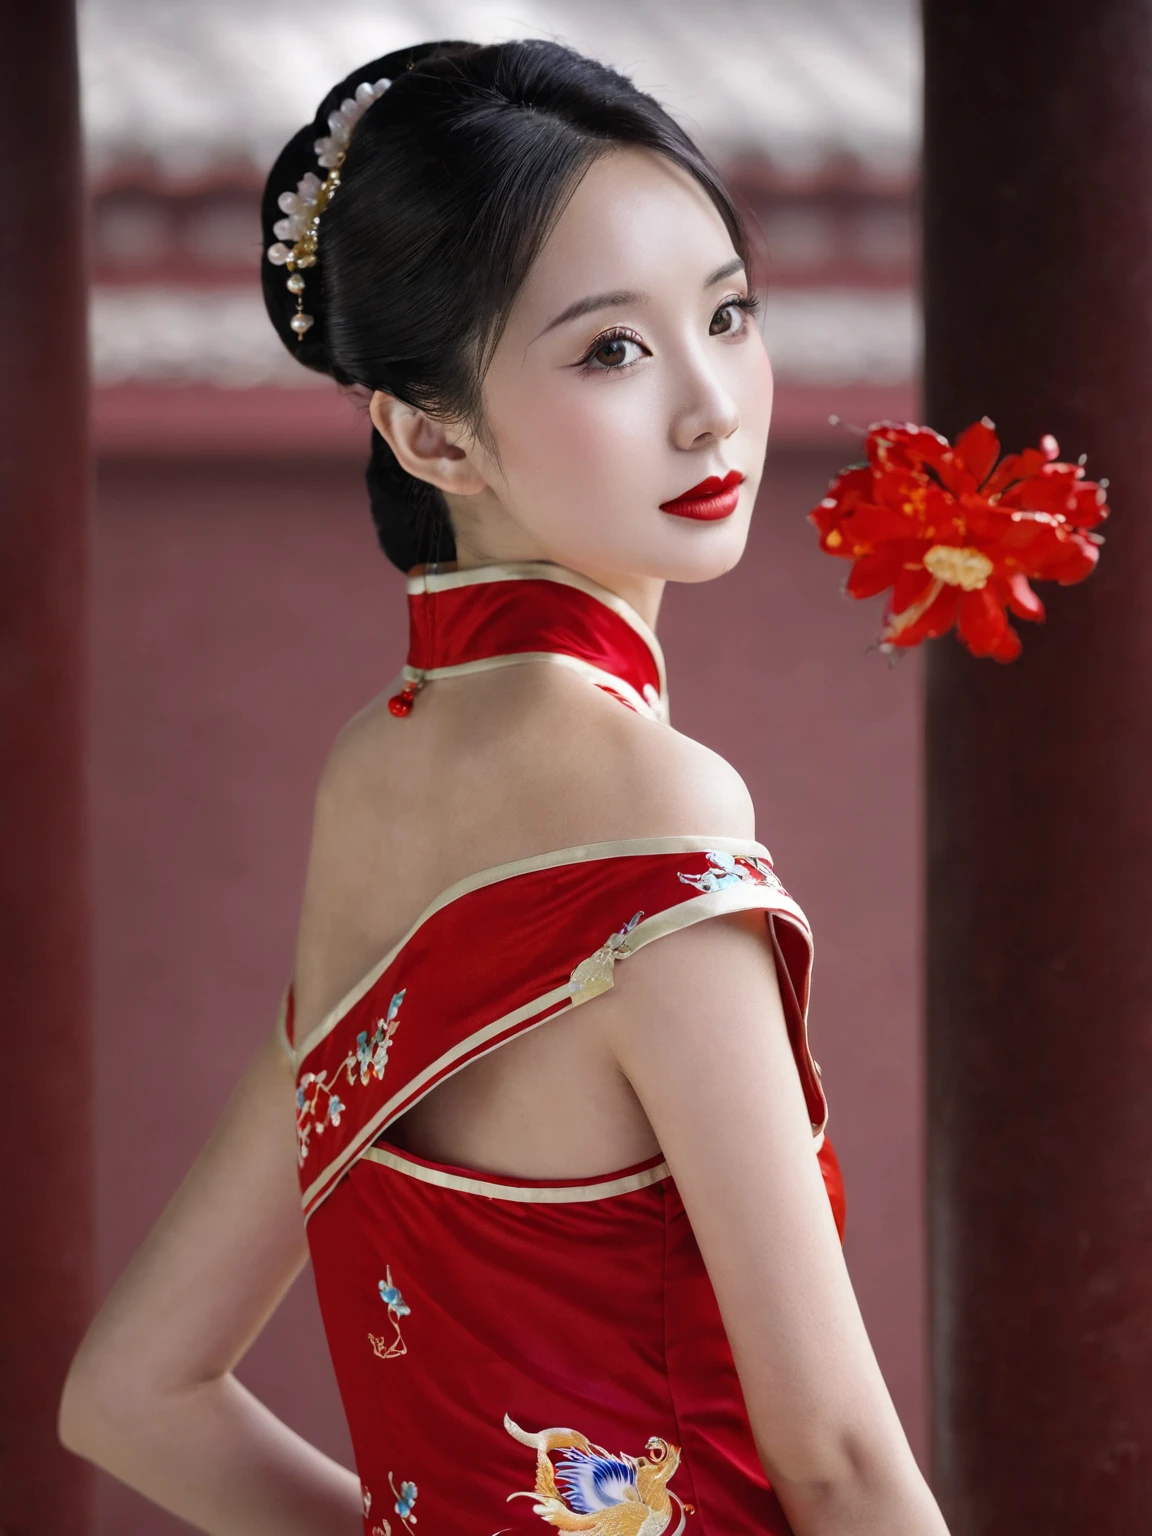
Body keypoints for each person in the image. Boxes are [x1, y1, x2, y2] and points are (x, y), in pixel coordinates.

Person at [59, 38, 949, 1536]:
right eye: (612, 349)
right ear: (429, 432)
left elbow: (133, 1396)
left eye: (727, 315)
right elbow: (839, 1460)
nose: (712, 408)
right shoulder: (653, 804)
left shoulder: (380, 774)